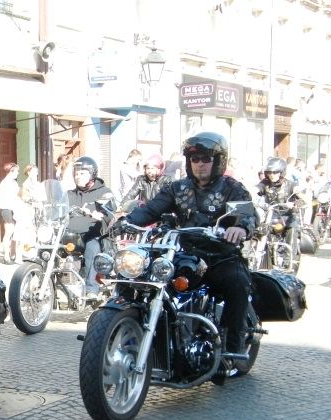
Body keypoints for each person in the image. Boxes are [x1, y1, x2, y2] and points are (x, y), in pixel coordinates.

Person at [123, 132, 256, 359]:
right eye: (195, 159)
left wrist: (241, 227)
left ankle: (232, 348)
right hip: (185, 255)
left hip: (220, 256)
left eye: (206, 159)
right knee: (145, 278)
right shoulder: (177, 188)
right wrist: (126, 221)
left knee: (237, 281)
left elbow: (248, 213)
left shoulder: (232, 188)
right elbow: (151, 209)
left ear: (218, 161)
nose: (200, 164)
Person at [67, 155, 115, 301]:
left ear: (92, 174)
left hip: (92, 235)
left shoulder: (104, 192)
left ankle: (91, 289)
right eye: (76, 173)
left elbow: (110, 213)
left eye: (82, 173)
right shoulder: (69, 194)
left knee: (92, 247)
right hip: (69, 235)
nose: (78, 176)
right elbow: (57, 208)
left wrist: (100, 213)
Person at [256, 157, 303, 237]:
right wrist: (248, 194)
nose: (272, 175)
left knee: (292, 230)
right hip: (269, 215)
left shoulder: (290, 184)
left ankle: (291, 245)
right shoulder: (265, 183)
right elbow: (257, 188)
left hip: (287, 215)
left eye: (275, 172)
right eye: (269, 172)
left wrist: (294, 203)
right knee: (257, 228)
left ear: (281, 172)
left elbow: (303, 198)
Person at [0, 162, 22, 264]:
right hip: (7, 209)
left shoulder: (14, 183)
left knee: (15, 232)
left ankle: (13, 254)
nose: (17, 173)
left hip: (15, 209)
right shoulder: (5, 183)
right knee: (9, 232)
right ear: (11, 171)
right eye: (16, 171)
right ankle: (6, 256)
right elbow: (7, 199)